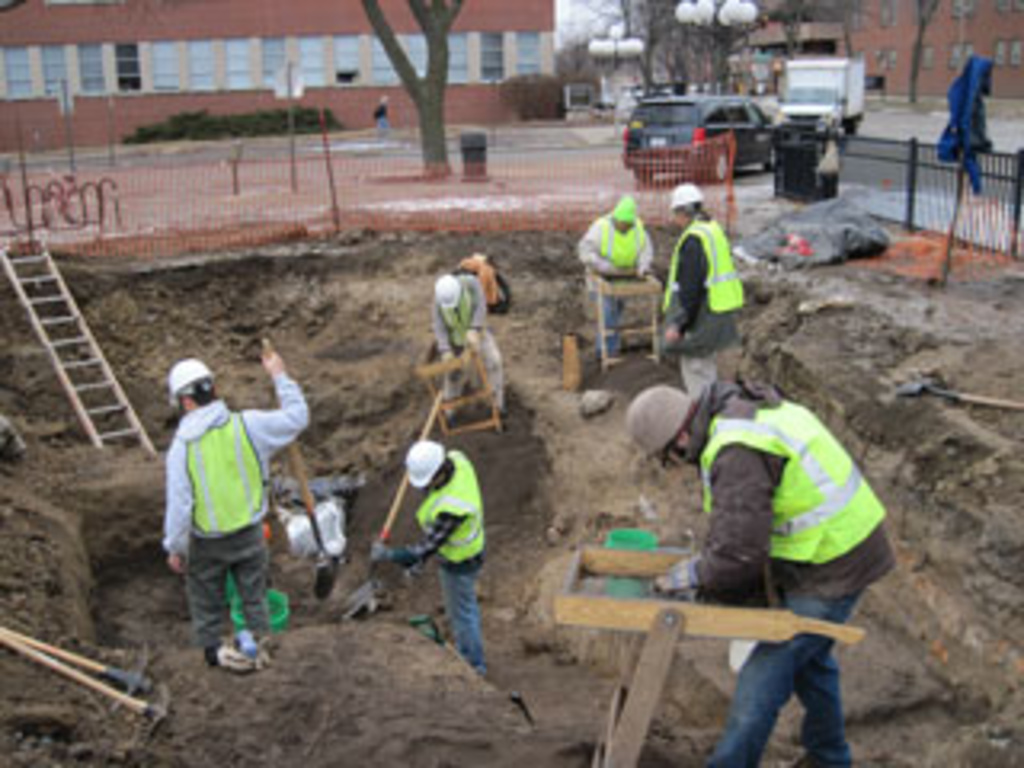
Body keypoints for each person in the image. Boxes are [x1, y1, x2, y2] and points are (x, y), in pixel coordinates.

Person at [625, 380, 894, 767]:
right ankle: (830, 757)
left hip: (835, 560)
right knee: (811, 662)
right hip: (836, 547)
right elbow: (741, 530)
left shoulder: (736, 451)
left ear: (681, 436)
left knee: (762, 678)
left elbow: (738, 554)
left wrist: (695, 577)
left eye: (672, 455)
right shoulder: (735, 416)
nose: (679, 462)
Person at [163, 350, 309, 673]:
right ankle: (260, 647)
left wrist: (176, 548)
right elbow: (298, 417)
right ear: (212, 389)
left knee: (205, 603)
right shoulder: (248, 426)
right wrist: (279, 376)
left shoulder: (181, 449)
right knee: (254, 597)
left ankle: (215, 655)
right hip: (250, 532)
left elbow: (180, 506)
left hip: (206, 541)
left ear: (185, 402)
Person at [371, 440, 486, 675]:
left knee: (462, 616)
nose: (423, 489)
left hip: (460, 561)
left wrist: (389, 554)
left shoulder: (451, 509)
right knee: (466, 607)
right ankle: (471, 656)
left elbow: (422, 549)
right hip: (469, 547)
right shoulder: (458, 460)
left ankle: (474, 666)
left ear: (438, 474)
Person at [663, 184, 743, 397]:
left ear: (683, 212)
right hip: (720, 307)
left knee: (696, 368)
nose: (674, 219)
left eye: (675, 213)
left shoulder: (693, 239)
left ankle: (703, 419)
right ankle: (713, 410)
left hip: (705, 312)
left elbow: (690, 289)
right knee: (706, 365)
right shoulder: (713, 229)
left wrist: (678, 325)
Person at [577, 195, 654, 358]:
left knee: (616, 311)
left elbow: (645, 250)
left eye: (628, 225)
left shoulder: (638, 229)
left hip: (624, 277)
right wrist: (603, 266)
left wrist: (643, 267)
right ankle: (606, 352)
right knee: (608, 312)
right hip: (600, 275)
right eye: (623, 225)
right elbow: (584, 251)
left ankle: (611, 345)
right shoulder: (600, 228)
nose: (625, 227)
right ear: (616, 219)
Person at [432, 273, 506, 414]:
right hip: (457, 342)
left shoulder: (470, 283)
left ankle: (497, 406)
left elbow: (481, 305)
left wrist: (474, 328)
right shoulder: (440, 298)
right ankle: (450, 412)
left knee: (494, 362)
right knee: (453, 375)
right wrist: (446, 350)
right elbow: (439, 326)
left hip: (479, 334)